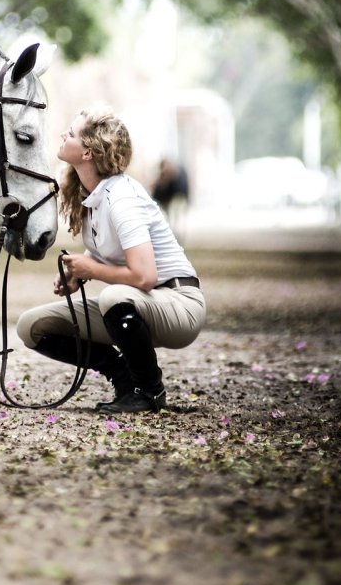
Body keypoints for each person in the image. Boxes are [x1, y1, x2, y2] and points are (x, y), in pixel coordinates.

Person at [16, 107, 206, 413]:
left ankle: (149, 390)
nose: (64, 135)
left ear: (88, 152)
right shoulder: (91, 197)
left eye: (72, 133)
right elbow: (110, 253)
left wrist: (92, 269)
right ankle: (123, 376)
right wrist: (78, 273)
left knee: (113, 297)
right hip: (140, 302)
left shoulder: (122, 198)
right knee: (31, 327)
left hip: (179, 303)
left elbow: (144, 276)